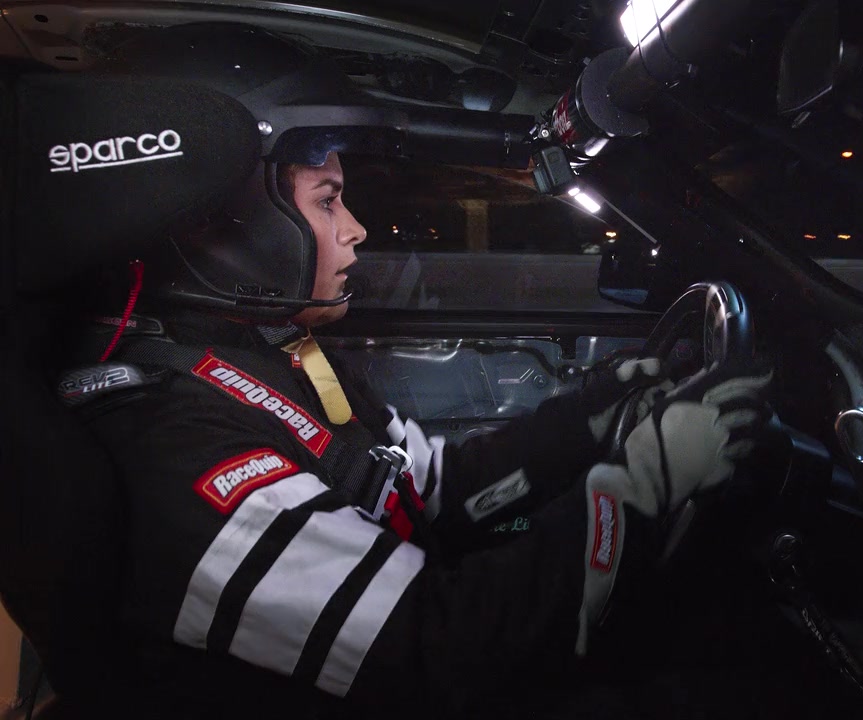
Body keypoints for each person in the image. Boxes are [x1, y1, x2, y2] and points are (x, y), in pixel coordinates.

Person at [52, 22, 774, 718]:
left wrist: (593, 414)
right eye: (328, 201)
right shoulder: (167, 442)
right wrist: (643, 483)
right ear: (220, 222)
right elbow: (436, 648)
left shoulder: (270, 355)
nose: (356, 229)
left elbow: (429, 488)